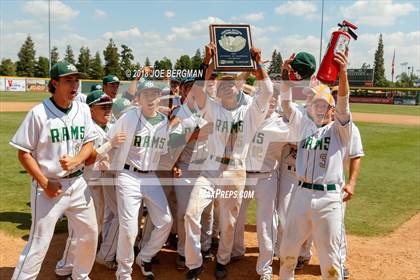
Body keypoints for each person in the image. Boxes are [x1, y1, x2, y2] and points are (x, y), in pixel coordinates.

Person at [184, 42, 273, 280]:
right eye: (221, 85)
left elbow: (267, 92)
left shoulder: (250, 113)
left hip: (235, 170)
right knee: (191, 214)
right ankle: (194, 264)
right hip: (210, 168)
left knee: (229, 223)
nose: (226, 87)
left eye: (230, 84)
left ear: (238, 88)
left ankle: (222, 261)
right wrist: (208, 63)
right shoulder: (212, 109)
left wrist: (258, 64)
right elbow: (197, 90)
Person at [10, 61, 98, 280]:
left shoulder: (83, 109)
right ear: (55, 83)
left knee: (89, 235)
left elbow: (89, 143)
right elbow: (24, 153)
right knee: (38, 244)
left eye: (76, 80)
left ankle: (80, 276)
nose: (74, 85)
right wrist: (44, 182)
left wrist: (77, 159)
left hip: (78, 184)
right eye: (68, 80)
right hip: (49, 188)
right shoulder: (39, 114)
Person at [278, 49, 352, 279]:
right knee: (288, 250)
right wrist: (284, 75)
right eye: (316, 104)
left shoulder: (340, 129)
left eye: (324, 105)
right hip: (301, 194)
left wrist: (343, 74)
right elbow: (286, 103)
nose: (319, 108)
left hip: (329, 199)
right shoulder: (303, 124)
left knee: (330, 259)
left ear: (332, 109)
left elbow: (343, 102)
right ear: (310, 107)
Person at [108, 80, 174, 280]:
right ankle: (124, 273)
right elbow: (111, 141)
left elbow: (161, 152)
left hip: (150, 176)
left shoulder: (163, 121)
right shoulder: (129, 117)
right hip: (128, 175)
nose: (152, 98)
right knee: (129, 229)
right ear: (139, 98)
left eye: (155, 94)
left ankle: (144, 256)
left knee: (165, 221)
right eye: (147, 94)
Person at [232, 93, 291, 280]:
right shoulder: (248, 117)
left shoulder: (283, 124)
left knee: (266, 223)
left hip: (267, 178)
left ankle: (265, 267)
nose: (271, 100)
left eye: (275, 97)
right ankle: (236, 250)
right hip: (243, 176)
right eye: (268, 96)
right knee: (236, 218)